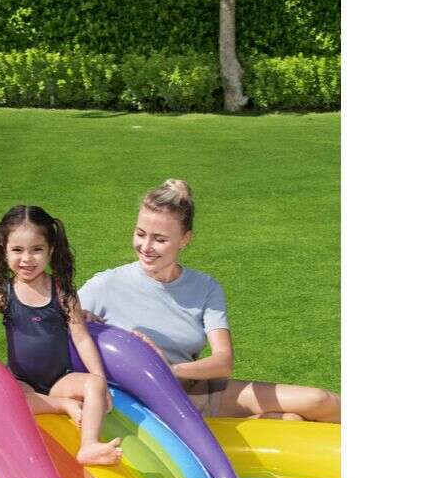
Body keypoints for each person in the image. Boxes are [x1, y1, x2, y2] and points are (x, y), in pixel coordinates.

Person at [78, 179, 341, 422]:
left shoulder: (204, 287)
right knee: (290, 421)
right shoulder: (106, 284)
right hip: (148, 403)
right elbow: (59, 325)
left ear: (184, 239)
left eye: (159, 239)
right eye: (140, 233)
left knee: (320, 400)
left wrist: (170, 369)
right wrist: (78, 318)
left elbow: (223, 362)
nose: (146, 247)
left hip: (201, 393)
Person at [0, 205, 123, 465]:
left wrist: (100, 379)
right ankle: (61, 404)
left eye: (36, 249)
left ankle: (88, 445)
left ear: (50, 250)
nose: (27, 259)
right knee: (4, 398)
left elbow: (81, 337)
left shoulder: (63, 293)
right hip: (22, 382)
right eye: (17, 250)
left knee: (94, 385)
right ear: (4, 251)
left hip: (60, 378)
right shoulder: (1, 294)